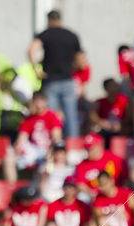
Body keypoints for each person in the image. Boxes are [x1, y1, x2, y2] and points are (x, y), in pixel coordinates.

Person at [30, 10, 83, 139]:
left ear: (49, 20)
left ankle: (53, 144)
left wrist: (36, 69)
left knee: (51, 117)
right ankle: (72, 146)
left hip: (51, 81)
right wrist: (75, 70)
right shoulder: (71, 35)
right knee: (71, 116)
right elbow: (81, 60)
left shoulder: (45, 34)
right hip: (68, 80)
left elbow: (31, 50)